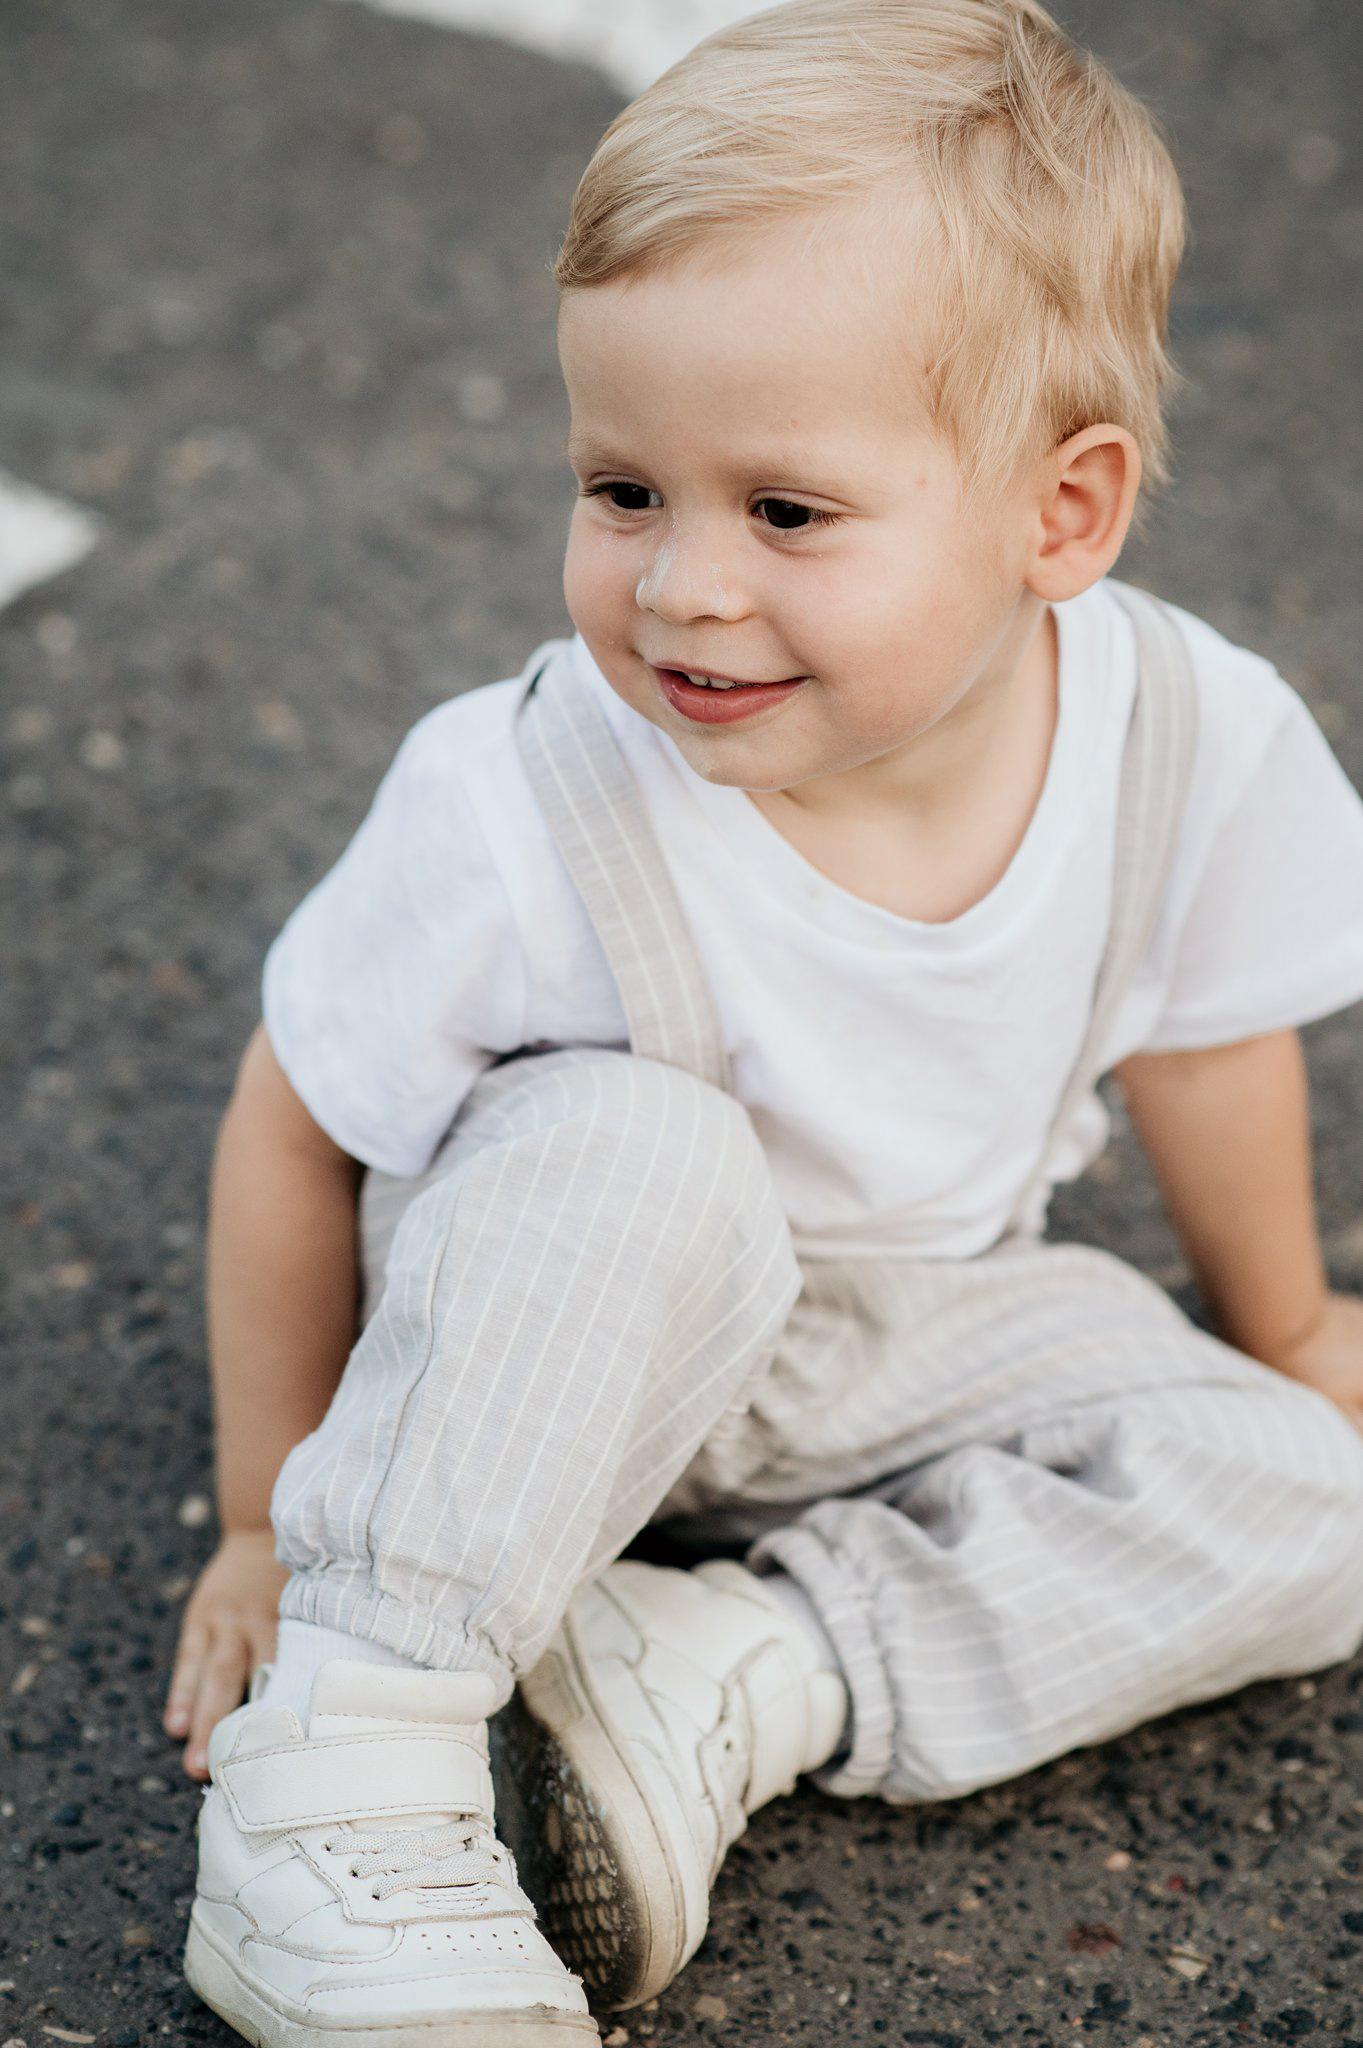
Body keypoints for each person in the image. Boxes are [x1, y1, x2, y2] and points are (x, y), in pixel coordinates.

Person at [166, 1, 1363, 2042]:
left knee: (1311, 1494)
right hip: (544, 1345)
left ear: (1057, 518)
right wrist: (274, 1508)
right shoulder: (528, 793)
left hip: (903, 1340)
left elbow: (1199, 1035)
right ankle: (346, 1769)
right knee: (642, 1143)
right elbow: (302, 1108)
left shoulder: (1182, 735)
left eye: (784, 513)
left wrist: (1286, 1331)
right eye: (621, 489)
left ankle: (734, 1662)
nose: (679, 589)